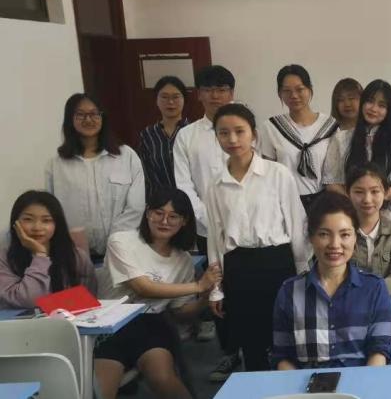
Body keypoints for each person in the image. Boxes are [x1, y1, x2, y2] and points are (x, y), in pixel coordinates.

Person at [205, 103, 312, 372]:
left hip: (277, 264)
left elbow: (297, 225)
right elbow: (215, 239)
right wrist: (216, 288)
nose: (232, 139)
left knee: (286, 341)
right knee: (251, 346)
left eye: (239, 131)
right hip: (238, 269)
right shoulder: (215, 184)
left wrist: (302, 275)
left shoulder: (277, 174)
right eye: (224, 133)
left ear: (253, 134)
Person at [94, 188, 221, 399]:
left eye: (173, 216)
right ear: (147, 213)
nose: (164, 221)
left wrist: (205, 299)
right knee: (100, 393)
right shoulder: (121, 240)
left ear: (184, 221)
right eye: (158, 213)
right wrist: (198, 286)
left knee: (163, 379)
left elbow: (180, 312)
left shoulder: (183, 259)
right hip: (111, 326)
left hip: (151, 324)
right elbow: (142, 287)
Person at [271, 192, 391, 369]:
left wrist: (366, 384)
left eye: (345, 235)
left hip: (361, 383)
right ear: (311, 237)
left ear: (355, 237)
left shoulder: (374, 289)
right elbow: (282, 356)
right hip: (306, 385)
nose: (335, 244)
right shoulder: (289, 291)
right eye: (324, 234)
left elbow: (379, 351)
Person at [170, 64, 239, 380]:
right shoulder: (187, 136)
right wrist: (209, 220)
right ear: (199, 95)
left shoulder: (245, 127)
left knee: (248, 288)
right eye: (209, 90)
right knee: (218, 288)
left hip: (246, 228)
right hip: (207, 228)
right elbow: (184, 185)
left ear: (231, 93)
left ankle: (257, 349)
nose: (216, 95)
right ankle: (229, 353)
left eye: (222, 89)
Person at [46, 93, 145, 263]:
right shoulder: (56, 164)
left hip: (122, 251)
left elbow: (136, 205)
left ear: (102, 117)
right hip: (76, 255)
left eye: (94, 114)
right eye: (81, 114)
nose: (88, 120)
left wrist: (115, 241)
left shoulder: (126, 156)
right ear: (70, 119)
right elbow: (52, 210)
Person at [326, 79, 391, 228]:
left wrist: (378, 197)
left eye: (382, 105)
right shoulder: (341, 139)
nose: (374, 109)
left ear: (389, 110)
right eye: (370, 101)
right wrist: (357, 198)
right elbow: (331, 183)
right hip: (353, 221)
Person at [259, 64, 339, 209]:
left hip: (322, 203)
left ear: (310, 90)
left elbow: (334, 176)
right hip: (285, 203)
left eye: (300, 89)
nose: (294, 95)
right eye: (287, 91)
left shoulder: (329, 126)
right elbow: (268, 173)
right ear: (279, 94)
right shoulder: (271, 127)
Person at [1, 191, 96, 309]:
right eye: (28, 219)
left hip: (70, 320)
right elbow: (28, 301)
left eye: (46, 220)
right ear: (15, 223)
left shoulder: (76, 256)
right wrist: (40, 255)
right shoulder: (4, 259)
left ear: (57, 224)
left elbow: (87, 300)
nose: (37, 227)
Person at [346, 163, 391, 296]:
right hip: (348, 302)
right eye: (359, 192)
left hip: (387, 302)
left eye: (375, 191)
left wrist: (373, 292)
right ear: (348, 193)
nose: (367, 199)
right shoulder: (340, 233)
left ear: (385, 193)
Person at [139, 75, 190, 198]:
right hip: (160, 202)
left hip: (193, 202)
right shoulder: (148, 134)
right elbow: (147, 174)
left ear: (184, 99)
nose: (170, 102)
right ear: (156, 100)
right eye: (164, 97)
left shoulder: (193, 132)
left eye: (176, 97)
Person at [322, 78, 363, 195]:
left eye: (352, 98)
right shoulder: (331, 133)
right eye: (340, 100)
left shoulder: (375, 130)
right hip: (343, 198)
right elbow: (330, 182)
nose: (347, 104)